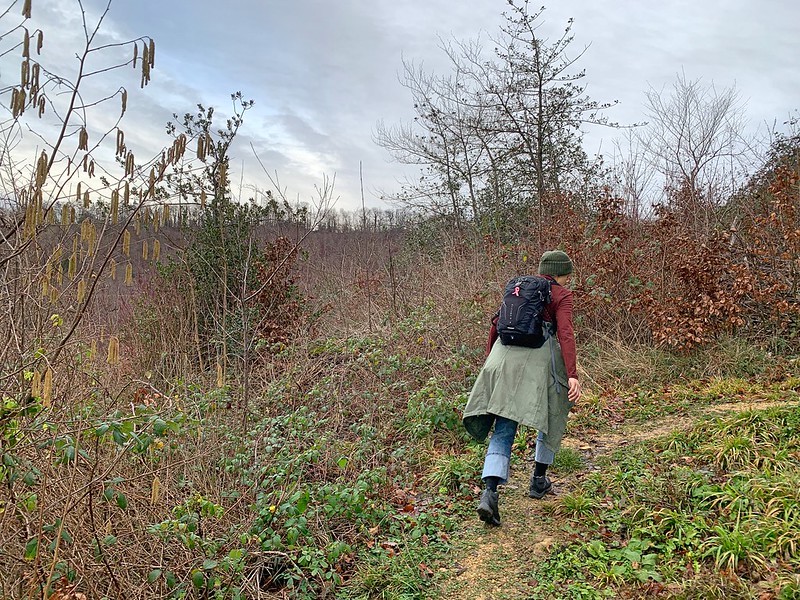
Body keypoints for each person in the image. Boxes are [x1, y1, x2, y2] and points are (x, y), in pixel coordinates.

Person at [462, 250, 582, 526]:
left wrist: (491, 361)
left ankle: (489, 492)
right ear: (562, 273)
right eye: (568, 274)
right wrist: (572, 374)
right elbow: (565, 333)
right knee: (551, 416)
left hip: (501, 359)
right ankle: (538, 480)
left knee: (504, 426)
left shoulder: (518, 287)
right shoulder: (560, 295)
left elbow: (496, 325)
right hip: (537, 365)